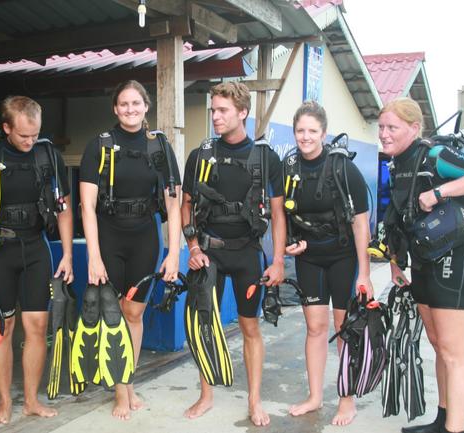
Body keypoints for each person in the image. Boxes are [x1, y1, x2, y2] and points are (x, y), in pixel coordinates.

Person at [0, 96, 73, 425]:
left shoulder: (49, 155)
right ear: (6, 127)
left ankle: (32, 400)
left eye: (35, 134)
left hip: (37, 248)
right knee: (1, 329)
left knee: (37, 327)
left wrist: (66, 253)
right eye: (23, 135)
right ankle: (5, 401)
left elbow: (62, 207)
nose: (29, 141)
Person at [180, 81, 286, 426]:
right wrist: (192, 246)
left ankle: (254, 401)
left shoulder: (266, 158)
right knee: (205, 325)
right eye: (213, 110)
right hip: (208, 253)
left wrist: (279, 260)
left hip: (247, 255)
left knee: (249, 326)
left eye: (223, 110)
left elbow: (279, 213)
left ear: (243, 112)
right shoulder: (200, 156)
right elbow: (186, 205)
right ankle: (206, 394)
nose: (215, 116)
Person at [78, 80, 181, 420]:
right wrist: (93, 255)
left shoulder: (161, 147)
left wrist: (174, 252)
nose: (130, 109)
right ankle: (121, 392)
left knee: (133, 313)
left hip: (144, 237)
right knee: (113, 313)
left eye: (136, 103)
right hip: (109, 235)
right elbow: (86, 206)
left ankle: (127, 381)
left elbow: (173, 202)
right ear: (115, 108)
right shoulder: (99, 146)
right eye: (124, 104)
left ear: (146, 106)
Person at [379, 97, 464, 433]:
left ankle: (456, 430)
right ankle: (443, 420)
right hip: (424, 261)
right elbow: (398, 217)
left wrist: (440, 193)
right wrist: (395, 263)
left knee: (454, 353)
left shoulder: (435, 155)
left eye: (392, 127)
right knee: (438, 344)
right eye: (381, 127)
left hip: (457, 258)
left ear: (413, 128)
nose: (384, 133)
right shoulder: (398, 164)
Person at [281, 101, 372, 426]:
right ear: (294, 132)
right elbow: (284, 213)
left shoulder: (341, 167)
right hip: (309, 257)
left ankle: (346, 400)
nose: (305, 137)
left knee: (342, 329)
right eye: (300, 131)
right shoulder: (289, 166)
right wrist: (291, 243)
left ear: (323, 132)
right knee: (315, 328)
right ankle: (315, 396)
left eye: (312, 131)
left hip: (343, 257)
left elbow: (362, 223)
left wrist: (364, 272)